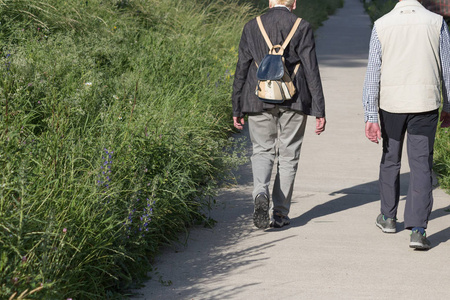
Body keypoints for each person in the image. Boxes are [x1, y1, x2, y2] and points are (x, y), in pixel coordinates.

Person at [363, 0, 450, 250]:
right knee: (421, 164)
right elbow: (448, 68)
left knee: (391, 159)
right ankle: (419, 230)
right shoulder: (437, 22)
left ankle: (388, 218)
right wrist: (449, 106)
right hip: (424, 103)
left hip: (391, 105)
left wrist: (370, 113)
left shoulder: (382, 25)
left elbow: (373, 72)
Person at [232, 0, 326, 229]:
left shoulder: (251, 26)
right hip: (294, 100)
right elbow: (311, 69)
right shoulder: (301, 26)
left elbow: (242, 67)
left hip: (257, 98)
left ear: (269, 2)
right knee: (288, 155)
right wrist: (319, 109)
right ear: (293, 3)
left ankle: (260, 194)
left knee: (262, 150)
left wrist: (236, 106)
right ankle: (280, 214)